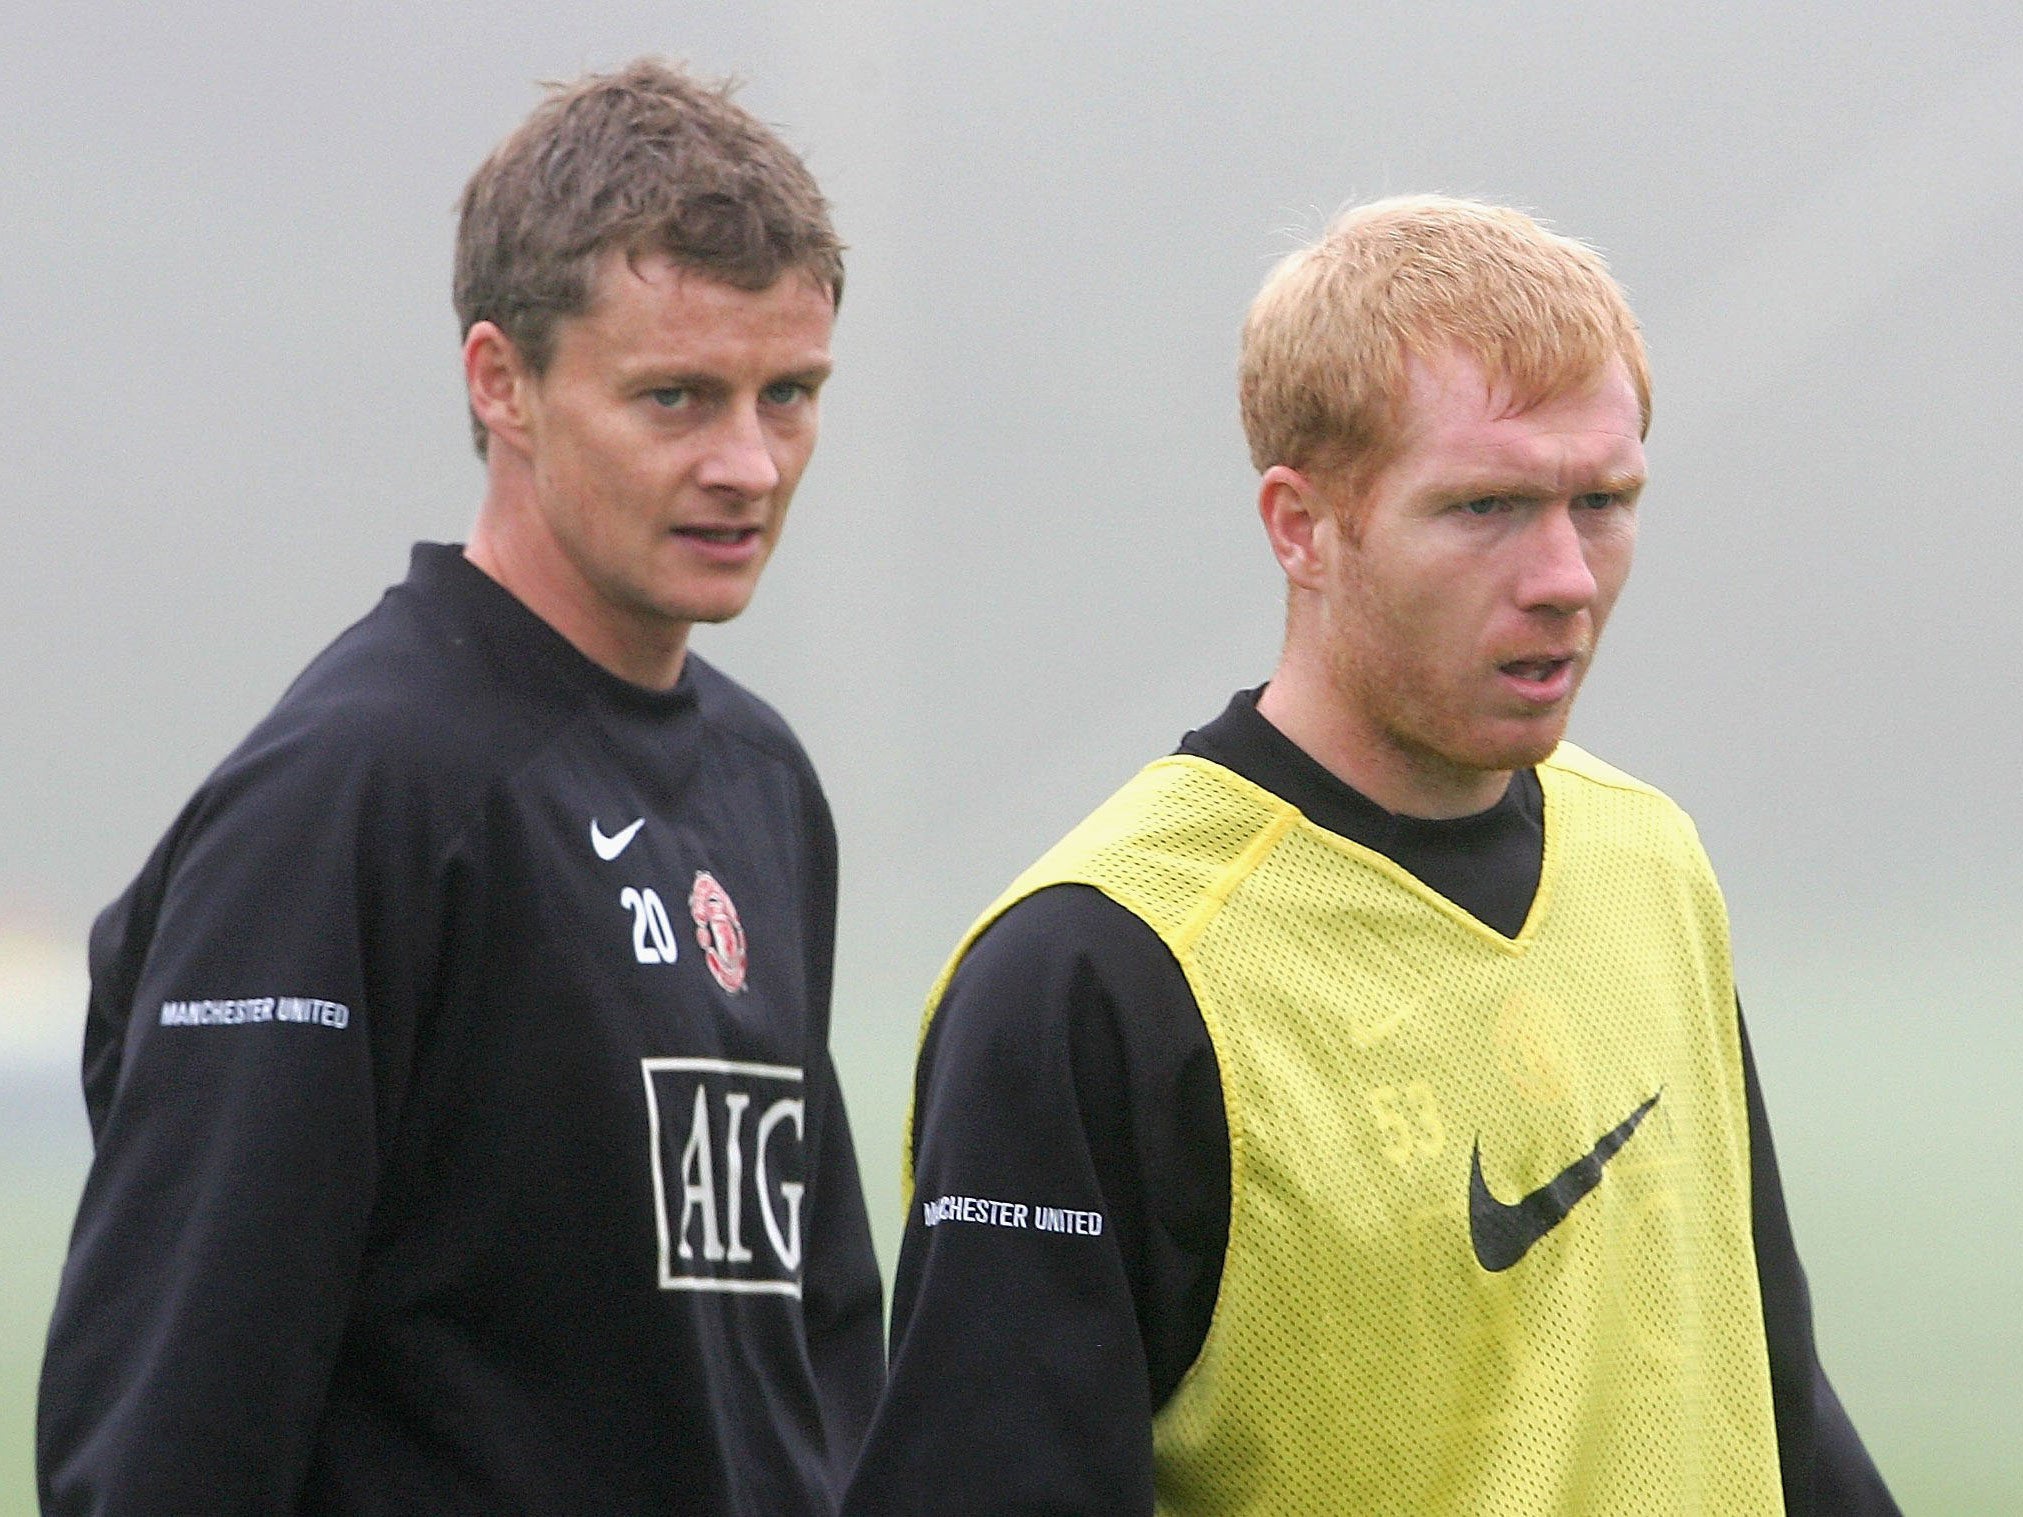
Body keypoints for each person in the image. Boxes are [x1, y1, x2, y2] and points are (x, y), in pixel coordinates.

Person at [844, 196, 1897, 1514]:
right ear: (1300, 524)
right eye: (1487, 506)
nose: (1566, 573)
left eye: (1605, 501)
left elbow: (1771, 1400)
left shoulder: (1652, 860)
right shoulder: (1097, 969)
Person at [39, 59, 882, 1515]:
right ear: (503, 381)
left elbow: (817, 1353)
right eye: (676, 396)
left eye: (787, 394)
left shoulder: (763, 784)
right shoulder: (352, 795)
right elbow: (175, 1420)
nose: (748, 462)